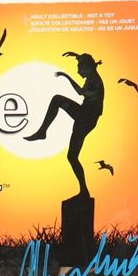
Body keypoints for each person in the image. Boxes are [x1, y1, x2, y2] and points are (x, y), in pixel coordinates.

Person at [24, 52, 104, 198]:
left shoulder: (96, 82)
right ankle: (84, 191)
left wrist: (66, 76)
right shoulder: (91, 77)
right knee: (72, 157)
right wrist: (75, 55)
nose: (78, 71)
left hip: (86, 117)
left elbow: (80, 92)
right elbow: (85, 61)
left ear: (87, 67)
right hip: (83, 117)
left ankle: (42, 132)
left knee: (57, 100)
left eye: (79, 67)